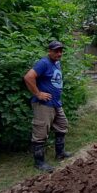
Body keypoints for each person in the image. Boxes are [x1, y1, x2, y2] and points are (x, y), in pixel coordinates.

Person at [23, 40, 72, 173]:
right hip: (44, 104)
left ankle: (60, 153)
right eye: (56, 51)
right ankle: (39, 162)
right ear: (49, 51)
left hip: (56, 103)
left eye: (61, 51)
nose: (59, 53)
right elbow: (28, 77)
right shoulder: (44, 63)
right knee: (41, 132)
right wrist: (38, 94)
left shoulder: (57, 63)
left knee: (62, 125)